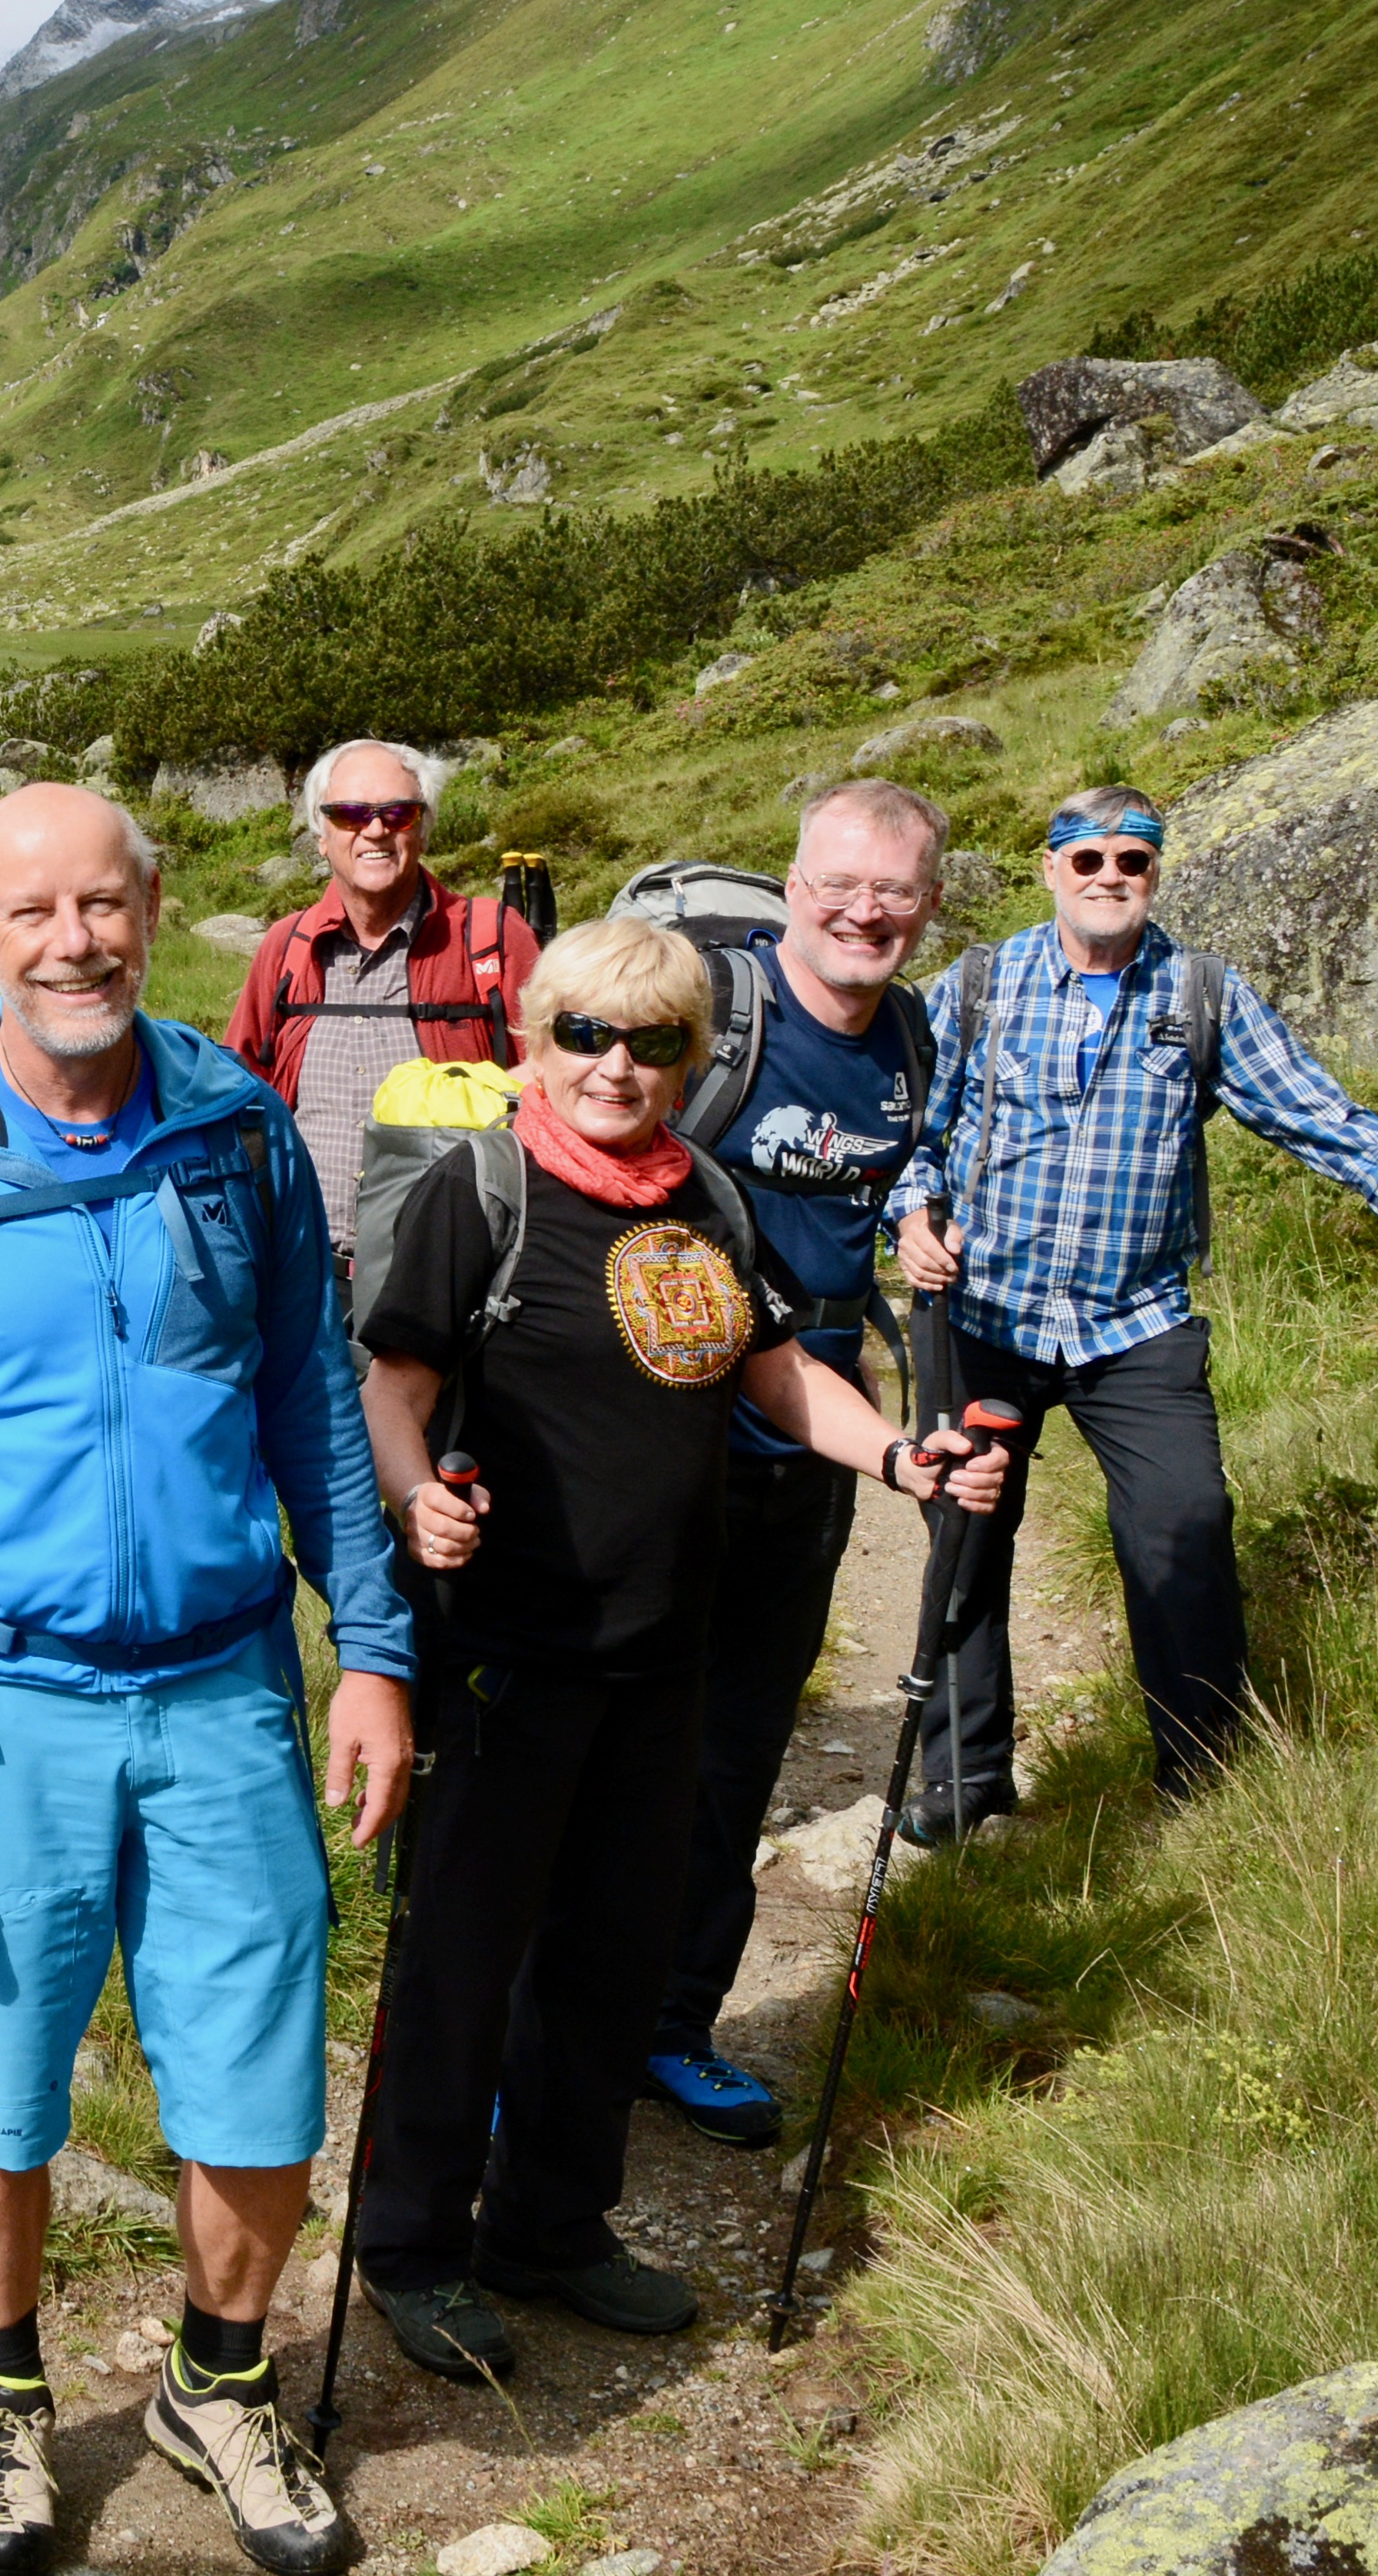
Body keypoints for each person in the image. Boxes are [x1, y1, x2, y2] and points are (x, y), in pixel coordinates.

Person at [0, 782, 403, 2576]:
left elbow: (313, 1399)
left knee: (261, 2082)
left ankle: (222, 2384)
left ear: (154, 908)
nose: (75, 941)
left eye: (104, 904)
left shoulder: (238, 1128)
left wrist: (372, 1646)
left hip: (223, 1689)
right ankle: (0, 2401)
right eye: (33, 911)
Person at [347, 918, 1004, 2385]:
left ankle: (552, 2227)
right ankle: (409, 2245)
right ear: (536, 1033)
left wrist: (901, 1459)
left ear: (691, 1057)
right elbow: (395, 1385)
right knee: (464, 1958)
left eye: (653, 1042)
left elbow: (780, 1373)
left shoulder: (704, 1194)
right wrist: (415, 1500)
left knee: (611, 1953)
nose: (616, 1067)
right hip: (514, 1650)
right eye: (586, 1032)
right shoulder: (486, 1189)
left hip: (666, 1650)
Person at [888, 785, 1378, 1823]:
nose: (1110, 878)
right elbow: (912, 1129)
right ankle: (964, 1780)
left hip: (1136, 1320)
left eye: (1132, 862)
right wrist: (913, 1216)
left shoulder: (1203, 995)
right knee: (966, 1535)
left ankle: (1201, 1780)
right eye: (1089, 858)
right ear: (1051, 869)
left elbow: (1314, 1112)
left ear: (1154, 875)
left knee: (1184, 1528)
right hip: (982, 1314)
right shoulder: (976, 987)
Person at [643, 783, 947, 2152]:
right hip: (667, 1424)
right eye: (840, 884)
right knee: (619, 1735)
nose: (865, 911)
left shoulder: (912, 1043)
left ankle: (671, 2023)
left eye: (894, 891)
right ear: (794, 881)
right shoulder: (717, 1016)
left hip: (815, 1432)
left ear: (929, 904)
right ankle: (544, 2029)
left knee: (742, 1742)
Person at [227, 739, 542, 1267]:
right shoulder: (286, 946)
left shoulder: (490, 939)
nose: (374, 830)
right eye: (349, 814)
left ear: (422, 827)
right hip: (301, 1269)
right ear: (321, 835)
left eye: (397, 812)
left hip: (445, 1276)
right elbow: (236, 1091)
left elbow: (556, 1083)